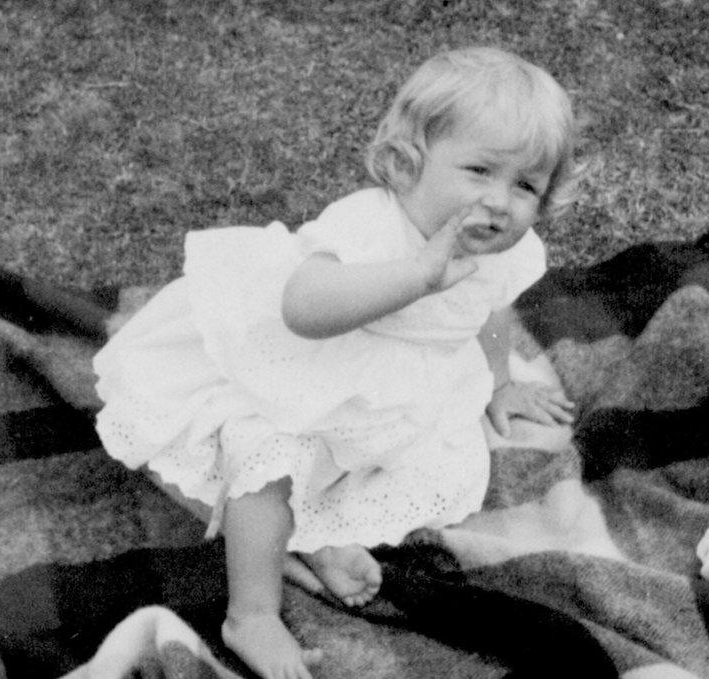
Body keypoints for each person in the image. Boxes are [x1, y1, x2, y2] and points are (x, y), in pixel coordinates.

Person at [92, 45, 581, 679]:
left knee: (375, 467)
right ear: (408, 164)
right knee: (264, 463)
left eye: (525, 186)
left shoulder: (501, 249)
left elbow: (489, 306)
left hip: (383, 390)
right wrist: (416, 276)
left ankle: (315, 541)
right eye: (480, 170)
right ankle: (252, 614)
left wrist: (499, 381)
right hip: (291, 372)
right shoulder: (369, 226)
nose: (501, 202)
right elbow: (303, 308)